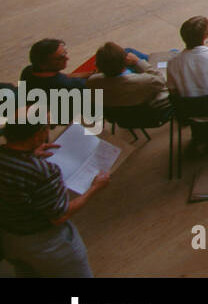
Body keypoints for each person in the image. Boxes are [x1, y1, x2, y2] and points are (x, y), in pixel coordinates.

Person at [0, 112, 109, 277]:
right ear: (38, 134)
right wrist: (94, 189)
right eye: (49, 127)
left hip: (10, 238)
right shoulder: (44, 171)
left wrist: (31, 155)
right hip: (45, 244)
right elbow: (59, 215)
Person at [87, 41, 170, 125]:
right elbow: (161, 80)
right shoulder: (145, 81)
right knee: (133, 54)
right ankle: (166, 56)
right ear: (125, 62)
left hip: (121, 118)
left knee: (129, 50)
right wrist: (138, 62)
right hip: (151, 116)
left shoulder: (92, 82)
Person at [20, 39, 86, 92]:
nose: (67, 58)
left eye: (65, 53)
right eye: (60, 58)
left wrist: (91, 73)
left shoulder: (27, 71)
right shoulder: (70, 85)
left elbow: (63, 76)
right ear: (44, 65)